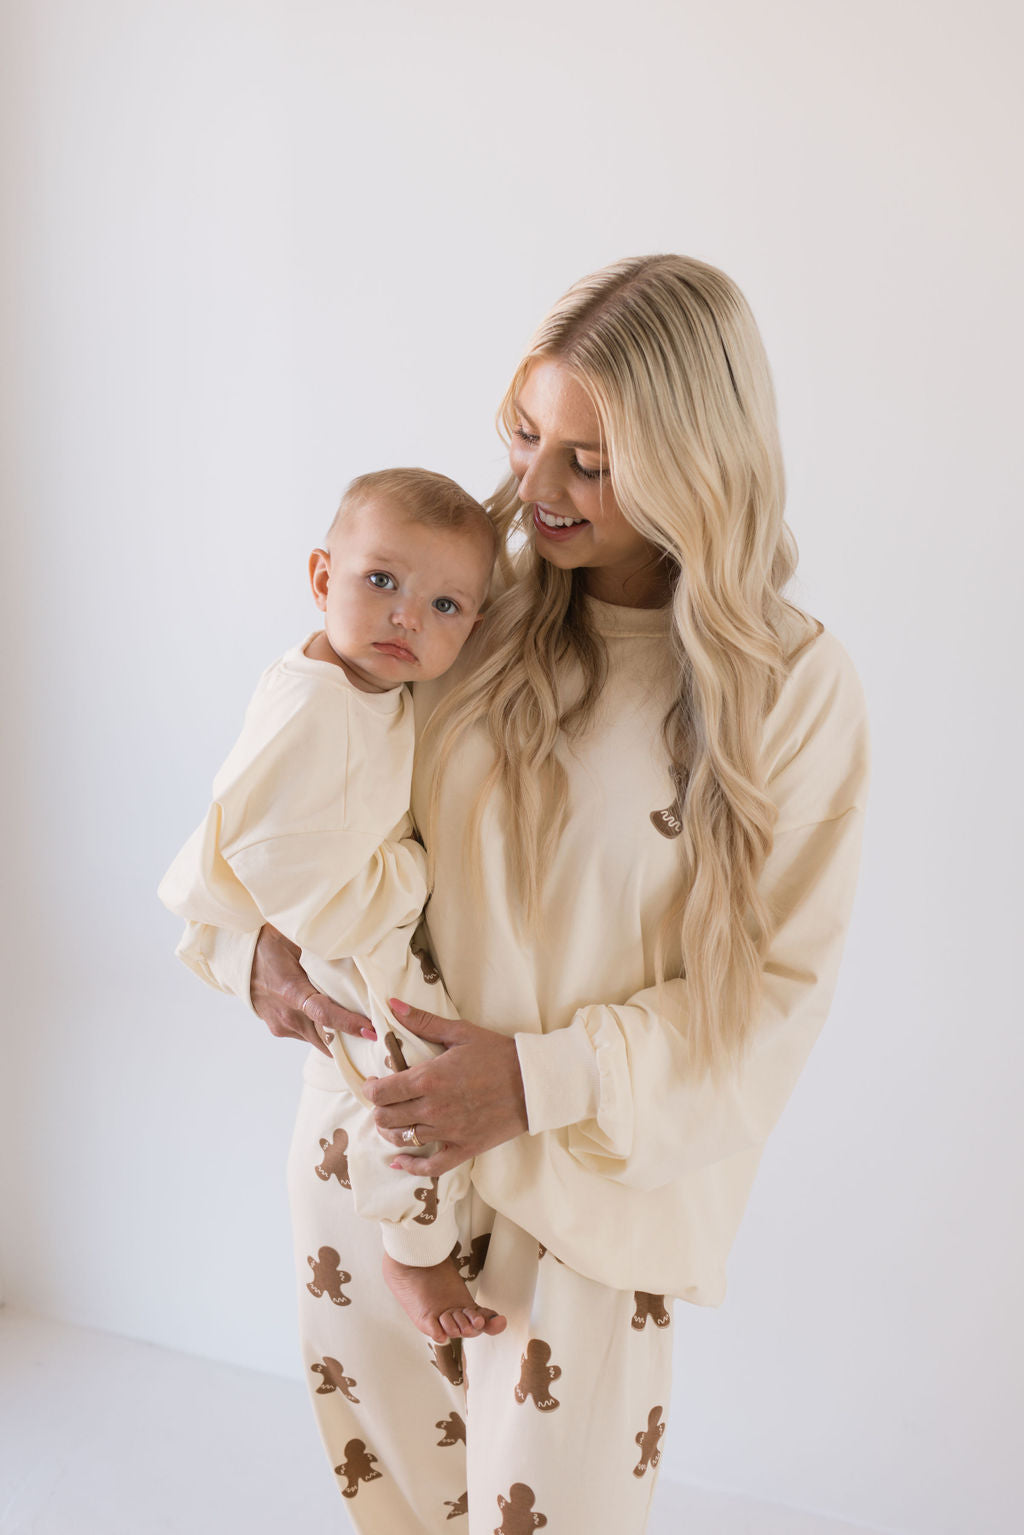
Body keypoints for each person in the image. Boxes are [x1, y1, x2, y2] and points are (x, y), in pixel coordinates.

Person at [172, 255, 870, 1535]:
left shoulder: (790, 688)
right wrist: (243, 954)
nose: (534, 489)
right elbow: (287, 784)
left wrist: (535, 1078)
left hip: (584, 1196)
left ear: (694, 461)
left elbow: (777, 994)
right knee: (401, 1519)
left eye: (589, 463)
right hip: (372, 1152)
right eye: (525, 432)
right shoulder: (456, 599)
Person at [159, 467, 507, 1342]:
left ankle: (420, 1233)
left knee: (414, 1068)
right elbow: (292, 874)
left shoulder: (369, 687)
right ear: (322, 578)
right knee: (408, 1076)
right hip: (345, 938)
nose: (406, 618)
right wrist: (415, 871)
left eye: (445, 607)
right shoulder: (311, 707)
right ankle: (412, 1249)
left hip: (361, 921)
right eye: (381, 581)